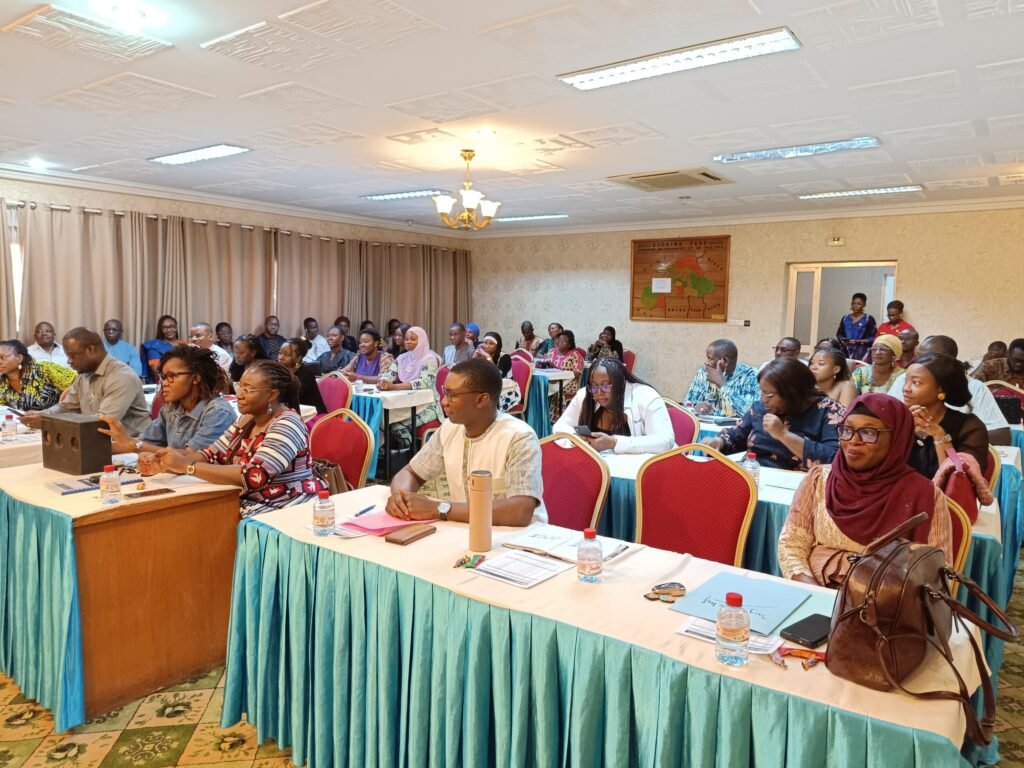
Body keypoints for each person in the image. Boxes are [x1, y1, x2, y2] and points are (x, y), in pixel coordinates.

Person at [777, 394, 952, 586]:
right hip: (815, 591)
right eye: (847, 430)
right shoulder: (819, 479)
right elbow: (791, 546)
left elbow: (938, 573)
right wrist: (817, 595)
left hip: (886, 607)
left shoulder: (924, 495)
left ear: (896, 438)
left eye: (869, 433)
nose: (853, 440)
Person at [155, 360, 325, 517]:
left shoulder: (288, 423)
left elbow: (254, 475)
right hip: (251, 501)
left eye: (248, 389)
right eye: (239, 386)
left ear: (272, 395)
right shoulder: (247, 420)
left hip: (285, 508)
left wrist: (187, 466)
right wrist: (165, 461)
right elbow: (210, 455)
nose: (239, 395)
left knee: (196, 518)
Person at [385, 357, 544, 526]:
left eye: (452, 395)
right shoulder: (450, 429)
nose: (444, 402)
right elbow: (411, 472)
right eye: (444, 392)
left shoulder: (519, 437)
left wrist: (438, 508)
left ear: (482, 400)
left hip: (516, 540)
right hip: (464, 529)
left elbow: (520, 511)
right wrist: (401, 498)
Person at [701, 358, 843, 469]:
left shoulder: (828, 411)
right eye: (762, 392)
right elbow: (736, 435)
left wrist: (784, 435)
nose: (763, 400)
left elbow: (834, 458)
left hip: (801, 488)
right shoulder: (761, 408)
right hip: (756, 478)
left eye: (769, 395)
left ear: (793, 393)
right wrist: (719, 442)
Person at [99, 345, 235, 453]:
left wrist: (133, 444)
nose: (165, 383)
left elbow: (191, 458)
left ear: (196, 377)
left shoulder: (218, 412)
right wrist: (92, 451)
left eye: (172, 376)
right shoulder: (171, 409)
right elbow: (146, 442)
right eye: (163, 377)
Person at [19, 327, 150, 434]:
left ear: (90, 349)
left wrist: (49, 421)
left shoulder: (121, 376)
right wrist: (42, 414)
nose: (69, 361)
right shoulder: (84, 374)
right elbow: (67, 406)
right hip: (95, 439)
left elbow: (103, 422)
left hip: (132, 446)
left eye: (72, 355)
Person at [890, 335, 1011, 446]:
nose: (906, 388)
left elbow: (1002, 436)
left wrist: (942, 438)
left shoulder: (974, 389)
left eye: (927, 358)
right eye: (918, 356)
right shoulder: (904, 380)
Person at [553, 357, 673, 454]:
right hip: (597, 469)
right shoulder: (586, 395)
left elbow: (664, 440)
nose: (599, 392)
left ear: (621, 384)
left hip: (637, 474)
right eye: (594, 386)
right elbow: (559, 427)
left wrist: (614, 442)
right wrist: (577, 438)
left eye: (606, 385)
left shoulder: (646, 396)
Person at [902, 352, 990, 479]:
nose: (906, 388)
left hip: (945, 498)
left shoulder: (969, 427)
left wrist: (940, 436)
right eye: (906, 381)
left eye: (916, 382)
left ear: (941, 389)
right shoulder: (899, 420)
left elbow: (961, 476)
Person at [378, 326, 443, 449]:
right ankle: (390, 458)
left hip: (427, 406)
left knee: (397, 428)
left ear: (422, 340)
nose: (408, 341)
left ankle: (408, 458)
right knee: (382, 423)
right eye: (406, 339)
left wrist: (393, 387)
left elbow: (423, 383)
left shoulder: (429, 359)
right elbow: (389, 374)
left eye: (413, 339)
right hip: (407, 404)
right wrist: (383, 381)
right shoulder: (402, 358)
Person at [683, 339, 759, 418]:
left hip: (736, 429)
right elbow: (687, 405)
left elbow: (753, 414)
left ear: (725, 361)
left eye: (710, 358)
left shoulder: (750, 375)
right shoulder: (703, 372)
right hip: (705, 428)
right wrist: (695, 408)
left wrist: (723, 385)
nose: (706, 362)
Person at [0, 340, 76, 411]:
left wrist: (63, 402)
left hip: (56, 420)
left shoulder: (44, 369)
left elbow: (78, 383)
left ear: (19, 358)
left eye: (2, 357)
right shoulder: (2, 383)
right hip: (19, 424)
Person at [538, 329, 584, 421]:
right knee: (539, 387)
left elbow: (578, 372)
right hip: (550, 380)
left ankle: (556, 420)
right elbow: (543, 361)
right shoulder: (552, 352)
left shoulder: (575, 355)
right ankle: (541, 418)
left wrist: (556, 368)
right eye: (559, 340)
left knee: (556, 390)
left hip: (568, 383)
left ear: (570, 344)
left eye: (563, 341)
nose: (560, 343)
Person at [473, 332, 521, 413]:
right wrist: (475, 355)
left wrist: (488, 358)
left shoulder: (505, 357)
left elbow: (498, 376)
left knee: (485, 397)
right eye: (485, 343)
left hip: (506, 389)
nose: (487, 345)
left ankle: (490, 420)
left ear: (497, 346)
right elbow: (472, 370)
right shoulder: (483, 354)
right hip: (488, 387)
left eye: (491, 344)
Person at [278, 338, 327, 414]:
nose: (280, 357)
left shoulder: (306, 374)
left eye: (286, 354)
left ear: (298, 358)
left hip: (313, 416)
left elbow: (289, 397)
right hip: (294, 413)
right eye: (280, 353)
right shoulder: (281, 371)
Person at [836, 292, 877, 360]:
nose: (855, 306)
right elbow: (839, 334)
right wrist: (844, 340)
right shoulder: (845, 318)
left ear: (864, 305)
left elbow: (873, 337)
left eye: (858, 304)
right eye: (853, 303)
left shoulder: (868, 319)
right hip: (845, 352)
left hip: (862, 353)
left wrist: (859, 341)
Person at [141, 315, 179, 382]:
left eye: (172, 326)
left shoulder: (186, 344)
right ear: (161, 330)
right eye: (164, 327)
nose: (169, 330)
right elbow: (157, 371)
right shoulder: (153, 347)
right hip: (167, 382)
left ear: (176, 327)